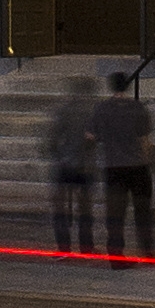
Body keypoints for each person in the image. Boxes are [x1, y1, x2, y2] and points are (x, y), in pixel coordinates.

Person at [97, 70, 155, 264]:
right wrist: (146, 160)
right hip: (137, 166)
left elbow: (90, 135)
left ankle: (116, 254)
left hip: (114, 166)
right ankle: (148, 250)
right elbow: (145, 140)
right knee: (143, 211)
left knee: (115, 214)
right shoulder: (137, 108)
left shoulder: (103, 109)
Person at [47, 74, 99, 255]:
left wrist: (57, 154)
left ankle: (64, 246)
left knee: (60, 208)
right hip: (85, 164)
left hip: (65, 163)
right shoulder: (93, 112)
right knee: (85, 207)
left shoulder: (64, 110)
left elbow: (53, 138)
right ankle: (86, 245)